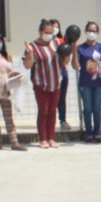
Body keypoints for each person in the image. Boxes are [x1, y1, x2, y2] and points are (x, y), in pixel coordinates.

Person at [24, 19, 64, 148]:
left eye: (51, 32)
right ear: (40, 32)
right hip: (41, 85)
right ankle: (43, 139)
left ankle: (51, 138)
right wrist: (29, 54)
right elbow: (27, 65)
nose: (49, 35)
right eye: (47, 32)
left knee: (52, 111)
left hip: (56, 84)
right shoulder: (33, 46)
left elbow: (64, 59)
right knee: (44, 111)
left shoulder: (56, 43)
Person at [73, 21, 101, 143]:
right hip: (85, 83)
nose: (91, 33)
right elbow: (75, 66)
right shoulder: (80, 48)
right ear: (85, 32)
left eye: (94, 31)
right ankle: (88, 133)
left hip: (99, 83)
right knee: (87, 109)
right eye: (89, 30)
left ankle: (97, 133)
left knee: (97, 109)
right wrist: (74, 52)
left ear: (97, 33)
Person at [50, 19, 71, 131]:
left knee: (61, 98)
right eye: (53, 26)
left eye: (57, 26)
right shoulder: (45, 42)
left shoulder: (63, 41)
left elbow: (67, 60)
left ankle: (63, 120)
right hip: (49, 73)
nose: (55, 29)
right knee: (51, 98)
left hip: (62, 71)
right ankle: (50, 121)